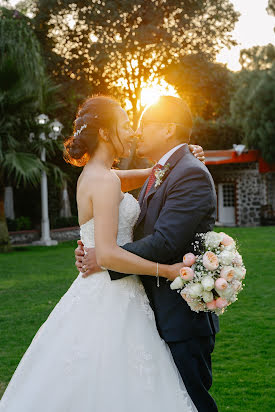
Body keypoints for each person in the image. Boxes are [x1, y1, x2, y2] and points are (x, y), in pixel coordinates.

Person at [0, 95, 206, 412]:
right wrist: (166, 271)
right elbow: (108, 255)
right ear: (107, 133)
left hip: (97, 288)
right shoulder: (107, 181)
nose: (133, 132)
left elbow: (151, 175)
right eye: (126, 125)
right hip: (116, 292)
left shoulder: (95, 177)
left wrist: (180, 157)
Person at [76, 95, 219, 412]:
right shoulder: (158, 171)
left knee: (190, 403)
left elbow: (165, 242)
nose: (136, 132)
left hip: (179, 317)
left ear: (168, 130)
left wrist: (105, 256)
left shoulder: (187, 173)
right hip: (142, 307)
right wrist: (100, 248)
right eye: (129, 125)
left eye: (142, 124)